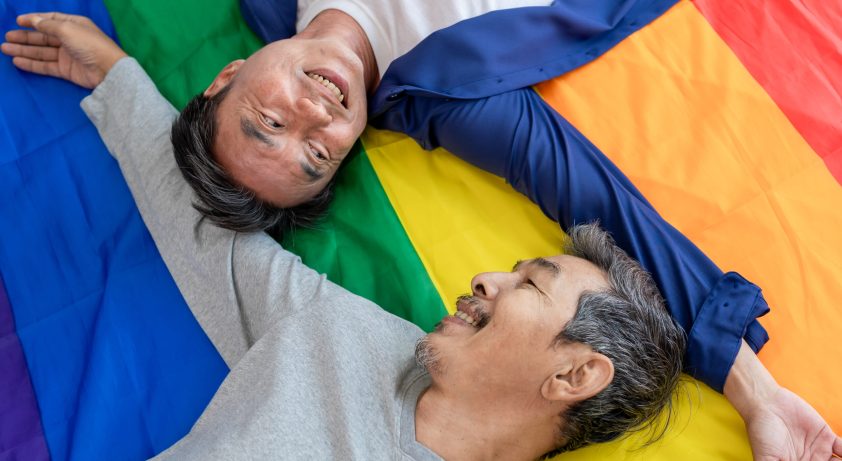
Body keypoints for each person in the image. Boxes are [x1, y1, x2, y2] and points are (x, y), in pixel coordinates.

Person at [3, 10, 841, 460]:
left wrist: (755, 395)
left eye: (528, 283)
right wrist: (115, 78)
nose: (482, 278)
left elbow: (598, 195)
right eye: (301, 150)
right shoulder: (341, 335)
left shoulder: (457, 99)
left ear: (577, 372)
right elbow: (210, 244)